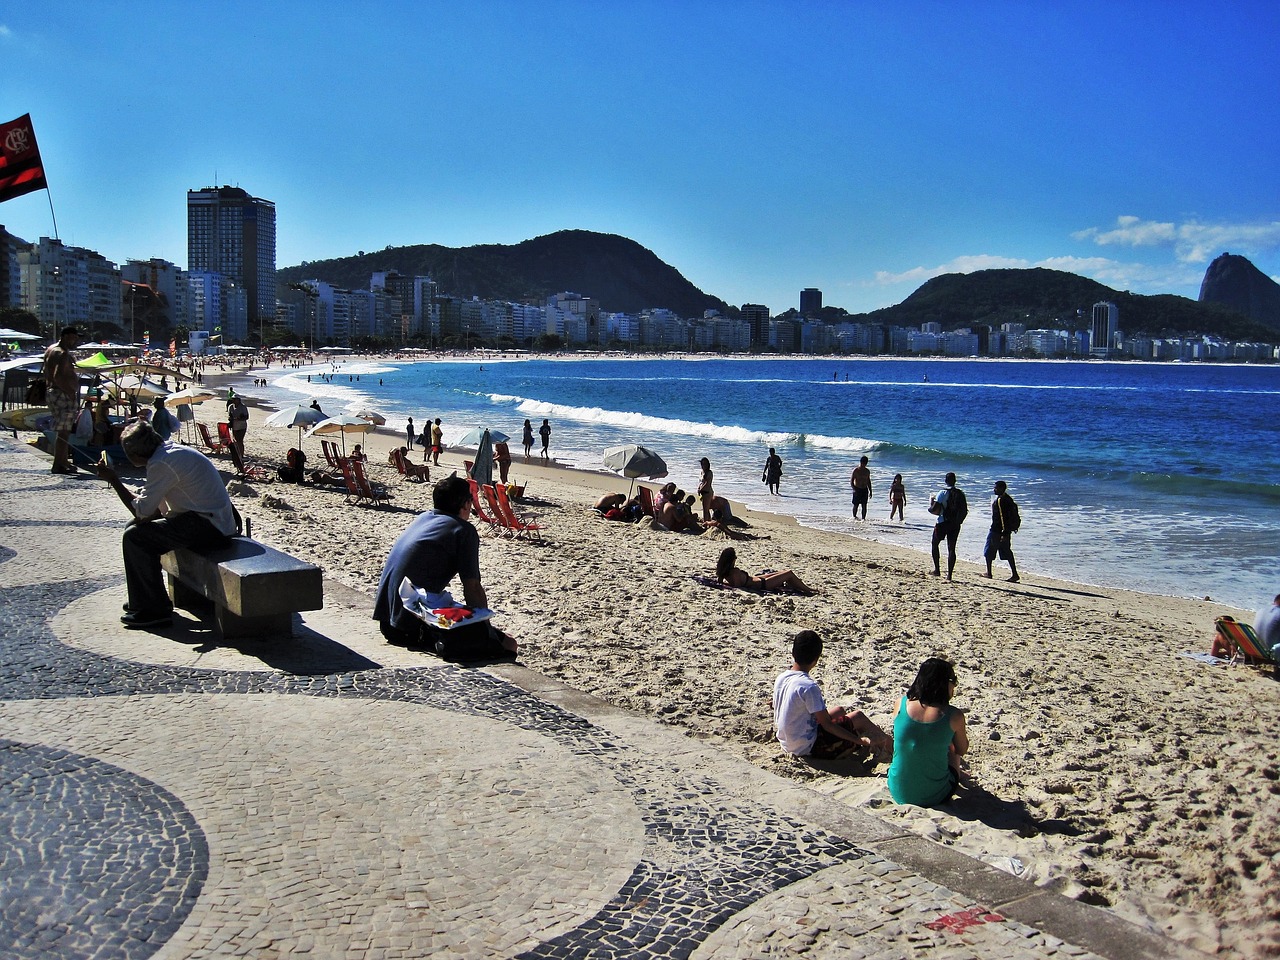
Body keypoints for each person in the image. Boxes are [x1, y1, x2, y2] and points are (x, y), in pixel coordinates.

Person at [95, 419, 239, 630]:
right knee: (133, 529)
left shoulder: (161, 463)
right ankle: (143, 599)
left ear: (135, 454)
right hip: (212, 519)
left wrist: (114, 480)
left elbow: (142, 512)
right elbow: (151, 510)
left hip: (209, 525)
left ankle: (154, 610)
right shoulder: (168, 454)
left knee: (135, 537)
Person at [373, 475, 518, 660]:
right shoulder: (463, 531)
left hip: (388, 622)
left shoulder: (423, 518)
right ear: (466, 505)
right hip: (409, 627)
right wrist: (484, 629)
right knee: (509, 644)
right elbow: (472, 588)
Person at [773, 630, 893, 761]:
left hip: (787, 741)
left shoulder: (782, 677)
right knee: (858, 717)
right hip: (808, 747)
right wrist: (859, 740)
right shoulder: (808, 686)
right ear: (816, 660)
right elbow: (827, 725)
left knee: (839, 710)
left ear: (793, 653)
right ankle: (893, 749)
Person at [887, 658, 969, 807]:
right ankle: (955, 774)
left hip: (897, 789)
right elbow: (962, 750)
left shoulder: (900, 703)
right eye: (953, 681)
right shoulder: (953, 715)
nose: (955, 685)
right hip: (934, 796)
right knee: (952, 749)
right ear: (945, 683)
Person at [42, 325, 82, 474]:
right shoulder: (62, 353)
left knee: (62, 429)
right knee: (64, 432)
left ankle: (63, 461)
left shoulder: (50, 349)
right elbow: (58, 376)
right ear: (65, 336)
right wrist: (70, 391)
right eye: (74, 337)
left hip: (52, 393)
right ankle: (57, 465)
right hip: (61, 394)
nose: (75, 341)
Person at [715, 547, 816, 595]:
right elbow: (738, 587)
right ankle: (808, 590)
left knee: (784, 572)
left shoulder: (723, 572)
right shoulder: (734, 572)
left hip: (759, 579)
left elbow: (721, 582)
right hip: (762, 584)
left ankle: (802, 587)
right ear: (731, 560)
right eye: (735, 557)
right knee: (789, 573)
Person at [928, 472, 968, 581]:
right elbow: (965, 510)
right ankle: (949, 575)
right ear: (955, 481)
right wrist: (959, 521)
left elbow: (933, 509)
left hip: (942, 522)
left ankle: (937, 570)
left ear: (946, 481)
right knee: (951, 549)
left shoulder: (942, 492)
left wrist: (930, 505)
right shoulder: (961, 494)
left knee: (935, 543)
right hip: (955, 524)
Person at [982, 480, 1021, 583]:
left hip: (997, 530)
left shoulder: (1000, 501)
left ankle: (989, 573)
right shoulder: (1008, 499)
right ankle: (1014, 574)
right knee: (1007, 552)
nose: (994, 489)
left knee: (988, 551)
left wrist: (1004, 533)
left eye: (996, 488)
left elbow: (1003, 518)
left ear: (1001, 488)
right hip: (1004, 531)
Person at [850, 455, 872, 521]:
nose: (864, 465)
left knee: (864, 505)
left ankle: (863, 519)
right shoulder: (856, 470)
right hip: (857, 489)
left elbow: (868, 481)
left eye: (865, 463)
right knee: (856, 505)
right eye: (863, 463)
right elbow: (851, 481)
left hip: (864, 489)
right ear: (861, 462)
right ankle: (854, 517)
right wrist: (854, 489)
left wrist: (870, 490)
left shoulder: (867, 471)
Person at [228, 394, 249, 459]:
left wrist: (239, 418)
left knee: (240, 440)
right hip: (234, 426)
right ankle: (237, 453)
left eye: (235, 399)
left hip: (242, 426)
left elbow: (247, 417)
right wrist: (230, 419)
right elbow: (229, 415)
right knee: (235, 441)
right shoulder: (230, 407)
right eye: (233, 399)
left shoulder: (243, 407)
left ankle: (241, 455)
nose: (234, 401)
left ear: (239, 400)